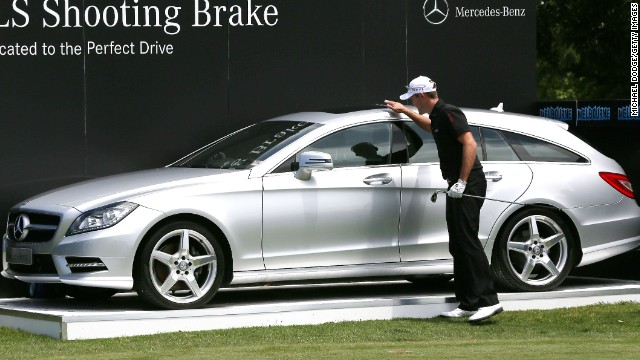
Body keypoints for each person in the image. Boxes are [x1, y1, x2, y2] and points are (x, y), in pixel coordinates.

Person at [385, 75, 503, 322]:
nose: (414, 104)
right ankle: (468, 302)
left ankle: (489, 301)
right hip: (455, 184)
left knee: (468, 241)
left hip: (468, 182)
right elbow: (429, 126)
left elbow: (469, 144)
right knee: (457, 243)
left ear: (421, 95)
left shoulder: (450, 112)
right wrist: (406, 111)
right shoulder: (437, 115)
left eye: (413, 100)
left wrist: (462, 181)